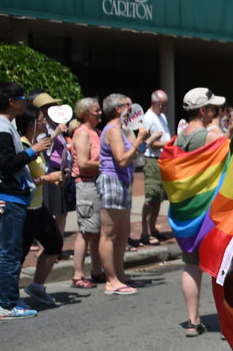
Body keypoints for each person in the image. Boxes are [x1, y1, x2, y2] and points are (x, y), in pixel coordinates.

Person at [0, 82, 53, 319]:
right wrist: (33, 150)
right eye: (22, 98)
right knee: (10, 253)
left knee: (9, 252)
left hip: (9, 195)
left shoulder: (0, 126)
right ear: (11, 101)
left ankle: (0, 303)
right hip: (8, 195)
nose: (25, 102)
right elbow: (7, 164)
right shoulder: (1, 128)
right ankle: (6, 304)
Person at [174, 88, 226, 335]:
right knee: (222, 265)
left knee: (191, 264)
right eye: (213, 108)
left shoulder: (178, 137)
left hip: (187, 210)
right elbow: (230, 159)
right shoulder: (210, 136)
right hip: (209, 210)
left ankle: (193, 321)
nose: (216, 112)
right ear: (203, 110)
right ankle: (230, 323)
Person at [98, 93, 150, 295]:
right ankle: (110, 280)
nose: (131, 107)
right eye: (127, 105)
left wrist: (143, 139)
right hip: (112, 181)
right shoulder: (112, 130)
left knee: (122, 233)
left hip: (123, 182)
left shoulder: (122, 130)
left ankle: (119, 274)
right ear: (117, 109)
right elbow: (121, 160)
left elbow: (137, 153)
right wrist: (139, 141)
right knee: (109, 233)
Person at [15, 110, 66, 308]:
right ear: (31, 124)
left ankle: (36, 286)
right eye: (41, 120)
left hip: (38, 207)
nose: (45, 122)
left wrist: (55, 179)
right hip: (25, 209)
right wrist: (48, 178)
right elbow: (22, 180)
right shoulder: (22, 146)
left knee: (55, 244)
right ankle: (11, 295)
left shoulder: (35, 144)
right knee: (19, 254)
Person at [70, 97, 104, 288]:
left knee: (96, 230)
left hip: (96, 183)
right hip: (86, 184)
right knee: (86, 230)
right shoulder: (82, 134)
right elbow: (83, 163)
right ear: (85, 114)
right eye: (96, 110)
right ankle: (78, 275)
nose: (100, 113)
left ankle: (97, 271)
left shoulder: (96, 132)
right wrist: (106, 164)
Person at [30, 93, 71, 238]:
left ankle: (57, 243)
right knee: (49, 212)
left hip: (59, 170)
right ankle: (46, 244)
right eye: (50, 106)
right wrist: (57, 131)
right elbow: (42, 146)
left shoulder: (53, 124)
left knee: (61, 212)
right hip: (48, 171)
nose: (54, 108)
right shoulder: (41, 127)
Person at [139, 90, 171, 245]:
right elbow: (149, 144)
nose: (164, 108)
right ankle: (145, 231)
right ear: (153, 103)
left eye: (165, 105)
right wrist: (169, 143)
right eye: (161, 105)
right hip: (152, 160)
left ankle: (153, 228)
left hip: (162, 159)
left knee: (158, 197)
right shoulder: (148, 119)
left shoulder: (162, 116)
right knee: (151, 197)